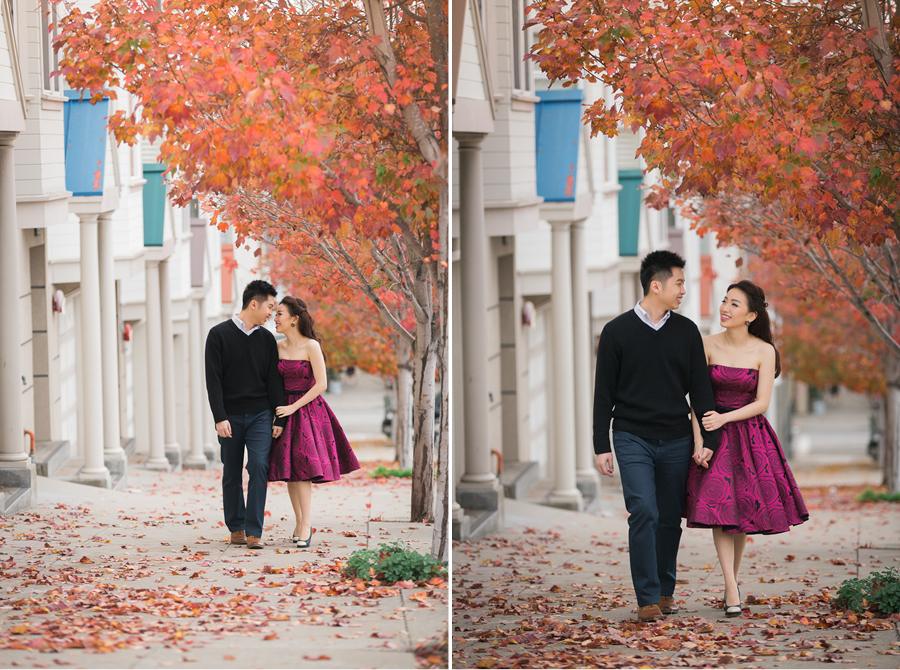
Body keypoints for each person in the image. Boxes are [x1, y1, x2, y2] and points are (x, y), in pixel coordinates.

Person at [593, 250, 721, 623]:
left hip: (677, 438)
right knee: (643, 511)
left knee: (668, 518)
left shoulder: (686, 332)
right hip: (632, 435)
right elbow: (603, 393)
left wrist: (708, 441)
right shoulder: (616, 332)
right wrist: (602, 445)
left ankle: (665, 589)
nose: (684, 289)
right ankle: (647, 597)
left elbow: (701, 392)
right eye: (679, 282)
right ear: (656, 285)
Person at [684, 280, 808, 617]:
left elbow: (762, 403)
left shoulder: (764, 351)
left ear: (751, 315)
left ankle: (732, 582)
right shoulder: (706, 344)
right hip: (712, 436)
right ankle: (730, 585)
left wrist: (724, 420)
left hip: (749, 437)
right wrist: (699, 438)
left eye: (734, 304)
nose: (725, 308)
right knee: (720, 512)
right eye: (725, 301)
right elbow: (697, 398)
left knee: (738, 514)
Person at [268, 296, 361, 548]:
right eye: (275, 314)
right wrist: (279, 412)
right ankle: (299, 522)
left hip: (308, 412)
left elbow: (321, 384)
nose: (275, 319)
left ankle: (306, 524)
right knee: (289, 471)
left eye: (279, 314)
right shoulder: (277, 347)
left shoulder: (311, 346)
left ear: (294, 319)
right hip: (283, 412)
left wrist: (293, 407)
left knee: (304, 469)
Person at [205, 280, 286, 550]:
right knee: (231, 472)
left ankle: (254, 531)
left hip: (261, 415)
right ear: (254, 303)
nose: (271, 314)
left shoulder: (266, 340)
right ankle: (236, 526)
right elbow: (213, 381)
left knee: (259, 466)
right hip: (230, 416)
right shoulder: (218, 335)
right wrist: (220, 417)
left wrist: (279, 418)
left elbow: (274, 380)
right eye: (270, 307)